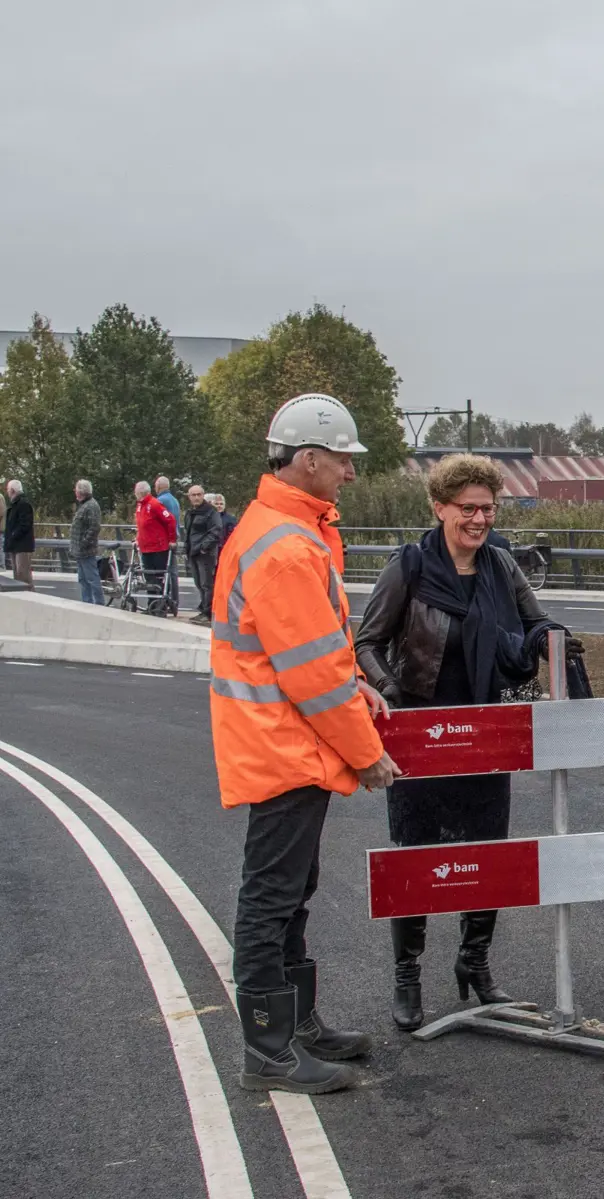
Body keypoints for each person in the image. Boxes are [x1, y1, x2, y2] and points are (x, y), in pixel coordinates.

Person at [211, 392, 400, 1095]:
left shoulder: (288, 528)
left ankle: (295, 1027)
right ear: (310, 459)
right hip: (283, 745)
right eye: (345, 460)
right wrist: (365, 751)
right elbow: (310, 676)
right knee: (272, 897)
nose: (351, 474)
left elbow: (320, 647)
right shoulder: (287, 545)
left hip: (285, 741)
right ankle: (270, 1051)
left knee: (292, 891)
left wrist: (359, 681)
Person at [355, 454, 565, 1030]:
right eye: (467, 508)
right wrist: (390, 691)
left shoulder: (502, 566)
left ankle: (475, 965)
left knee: (488, 852)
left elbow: (534, 623)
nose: (478, 519)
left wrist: (551, 641)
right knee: (416, 857)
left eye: (487, 509)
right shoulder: (412, 566)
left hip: (484, 733)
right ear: (439, 507)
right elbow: (366, 641)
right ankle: (408, 975)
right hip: (422, 734)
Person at [134, 480, 179, 612]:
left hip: (158, 548)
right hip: (146, 548)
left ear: (139, 492)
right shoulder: (140, 506)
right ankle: (151, 603)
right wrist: (138, 539)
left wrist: (172, 539)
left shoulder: (154, 504)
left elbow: (170, 520)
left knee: (159, 577)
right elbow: (141, 526)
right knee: (149, 577)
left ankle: (160, 605)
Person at [184, 483, 225, 625]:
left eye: (199, 494)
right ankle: (204, 609)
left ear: (203, 495)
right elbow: (188, 533)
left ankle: (208, 612)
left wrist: (204, 547)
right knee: (199, 583)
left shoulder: (210, 512)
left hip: (205, 553)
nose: (196, 497)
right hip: (193, 552)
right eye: (193, 495)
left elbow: (216, 530)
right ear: (189, 497)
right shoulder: (190, 513)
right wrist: (187, 549)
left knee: (207, 583)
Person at [71, 480, 104, 604]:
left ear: (81, 491)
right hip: (80, 551)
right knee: (83, 579)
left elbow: (94, 527)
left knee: (92, 578)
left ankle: (99, 603)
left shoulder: (91, 506)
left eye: (76, 490)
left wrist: (83, 543)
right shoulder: (85, 505)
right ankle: (87, 602)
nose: (75, 492)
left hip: (86, 550)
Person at [155, 476, 181, 612]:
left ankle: (165, 602)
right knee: (173, 572)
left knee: (165, 572)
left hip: (165, 541)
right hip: (174, 539)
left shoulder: (160, 501)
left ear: (159, 486)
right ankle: (175, 601)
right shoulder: (174, 500)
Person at [3, 480, 34, 589]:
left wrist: (13, 535)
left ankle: (30, 598)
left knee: (23, 575)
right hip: (16, 545)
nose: (7, 492)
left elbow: (25, 524)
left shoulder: (23, 504)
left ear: (12, 490)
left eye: (8, 490)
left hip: (22, 545)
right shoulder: (15, 505)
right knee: (17, 576)